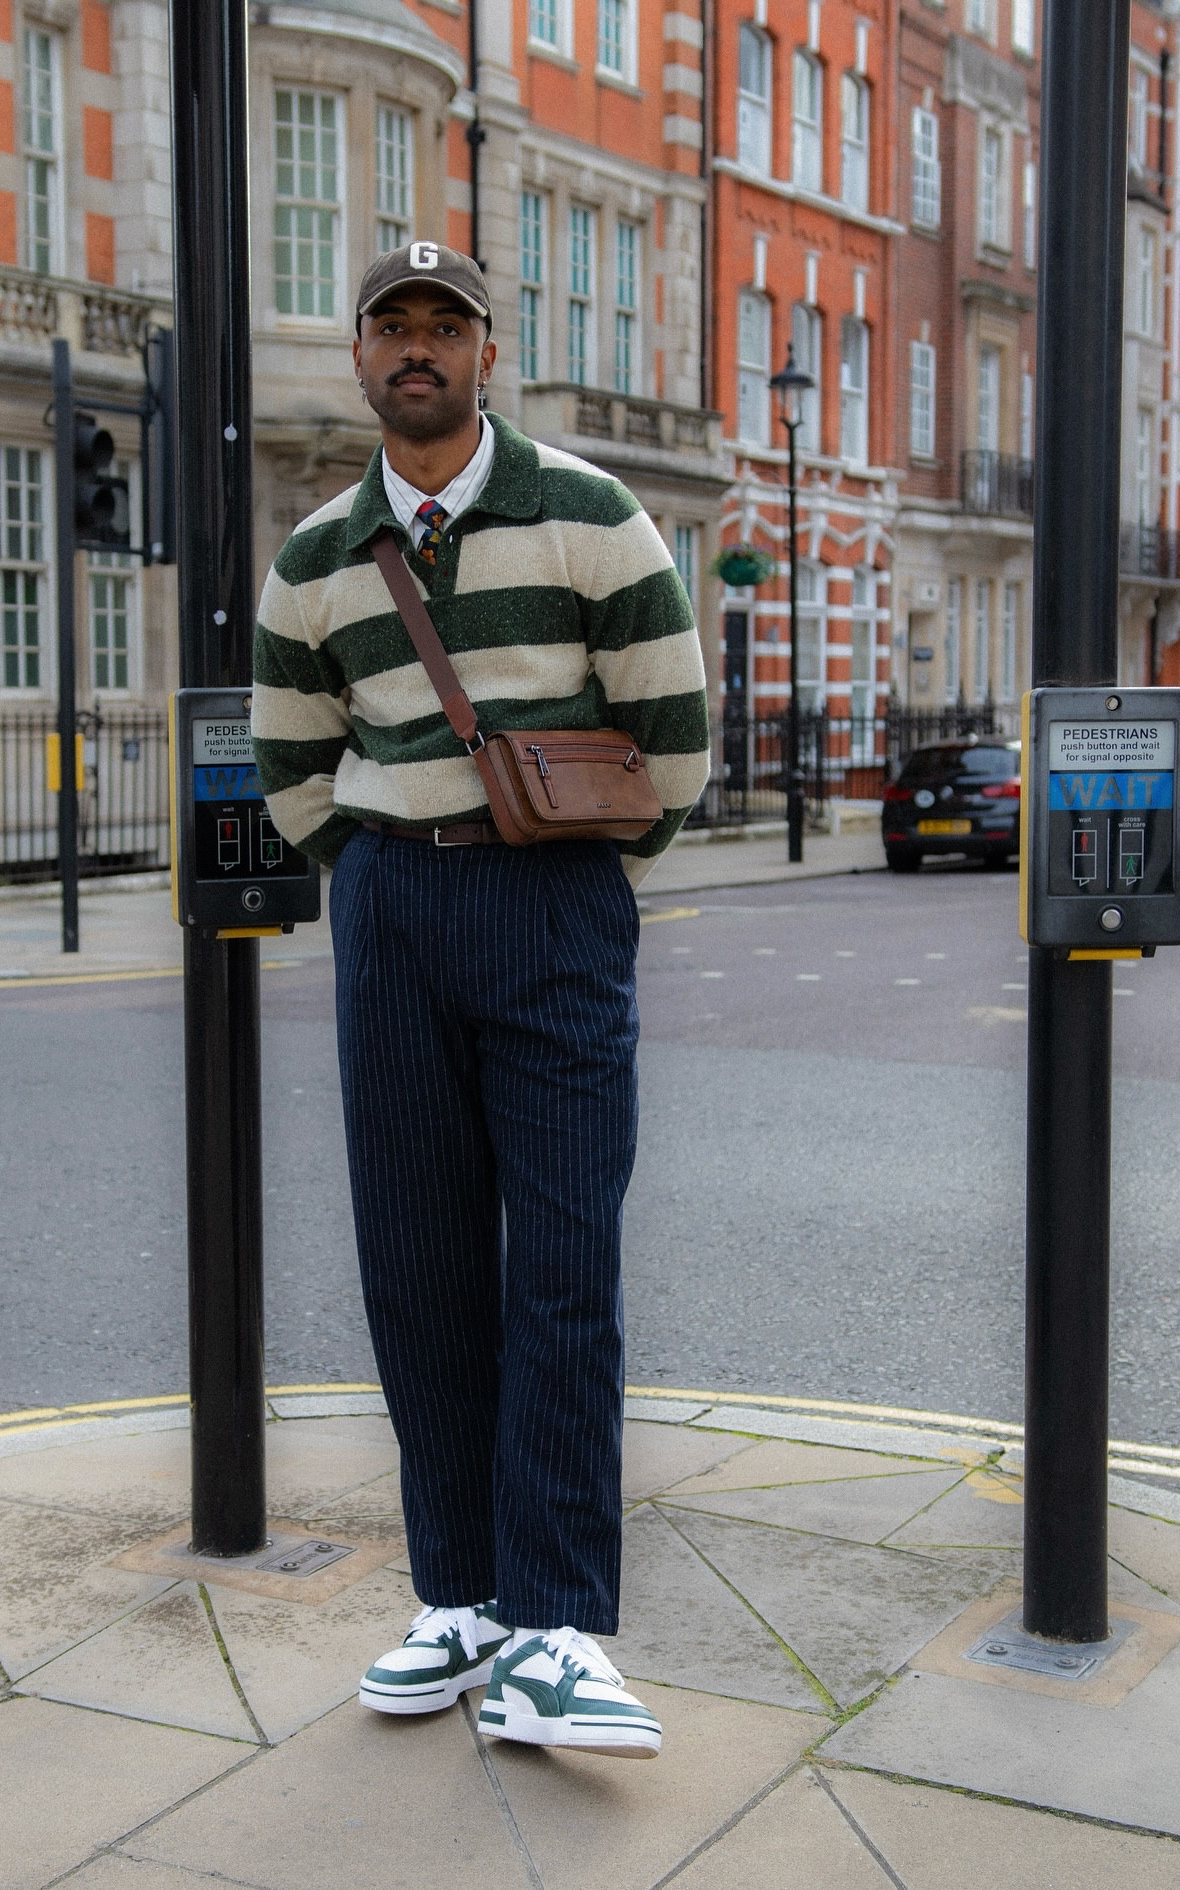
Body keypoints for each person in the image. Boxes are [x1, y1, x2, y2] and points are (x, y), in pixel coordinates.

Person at [252, 241, 709, 1760]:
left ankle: (557, 1621)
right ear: (362, 359)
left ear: (487, 355)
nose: (419, 352)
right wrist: (374, 875)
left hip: (555, 912)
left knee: (564, 1265)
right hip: (393, 909)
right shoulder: (317, 554)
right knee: (418, 1263)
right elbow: (289, 757)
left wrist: (579, 888)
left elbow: (676, 738)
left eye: (446, 328)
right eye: (395, 329)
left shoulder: (593, 515)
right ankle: (458, 1593)